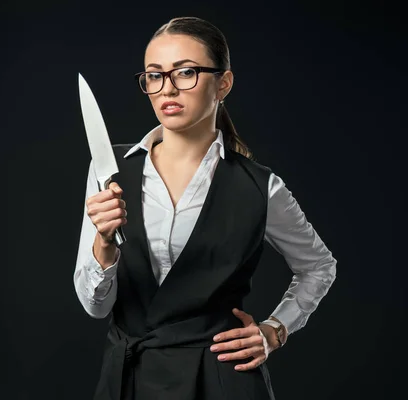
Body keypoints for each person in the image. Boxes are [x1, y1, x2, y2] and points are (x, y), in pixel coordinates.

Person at [73, 16, 336, 400]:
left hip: (220, 380)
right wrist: (105, 245)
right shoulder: (107, 171)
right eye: (155, 75)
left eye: (186, 72)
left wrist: (275, 330)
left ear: (223, 83)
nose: (168, 88)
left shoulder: (261, 187)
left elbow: (319, 265)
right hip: (128, 380)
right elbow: (95, 308)